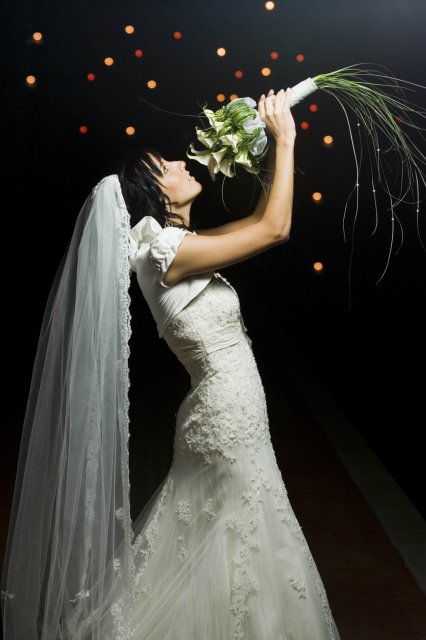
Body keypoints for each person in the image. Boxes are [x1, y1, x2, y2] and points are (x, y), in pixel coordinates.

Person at [1, 88, 341, 639]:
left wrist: (261, 149)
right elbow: (275, 229)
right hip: (226, 419)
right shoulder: (164, 254)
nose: (183, 163)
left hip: (226, 414)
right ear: (154, 194)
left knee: (230, 546)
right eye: (167, 167)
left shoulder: (178, 243)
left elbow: (261, 216)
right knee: (247, 542)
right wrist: (285, 140)